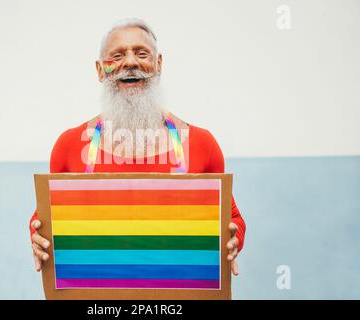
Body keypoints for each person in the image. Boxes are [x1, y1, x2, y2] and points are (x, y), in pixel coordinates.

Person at [29, 18, 246, 276]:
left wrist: (233, 239)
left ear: (159, 65)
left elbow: (232, 218)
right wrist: (37, 236)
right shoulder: (69, 146)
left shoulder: (201, 143)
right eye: (117, 56)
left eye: (141, 53)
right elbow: (44, 219)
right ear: (100, 70)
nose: (130, 62)